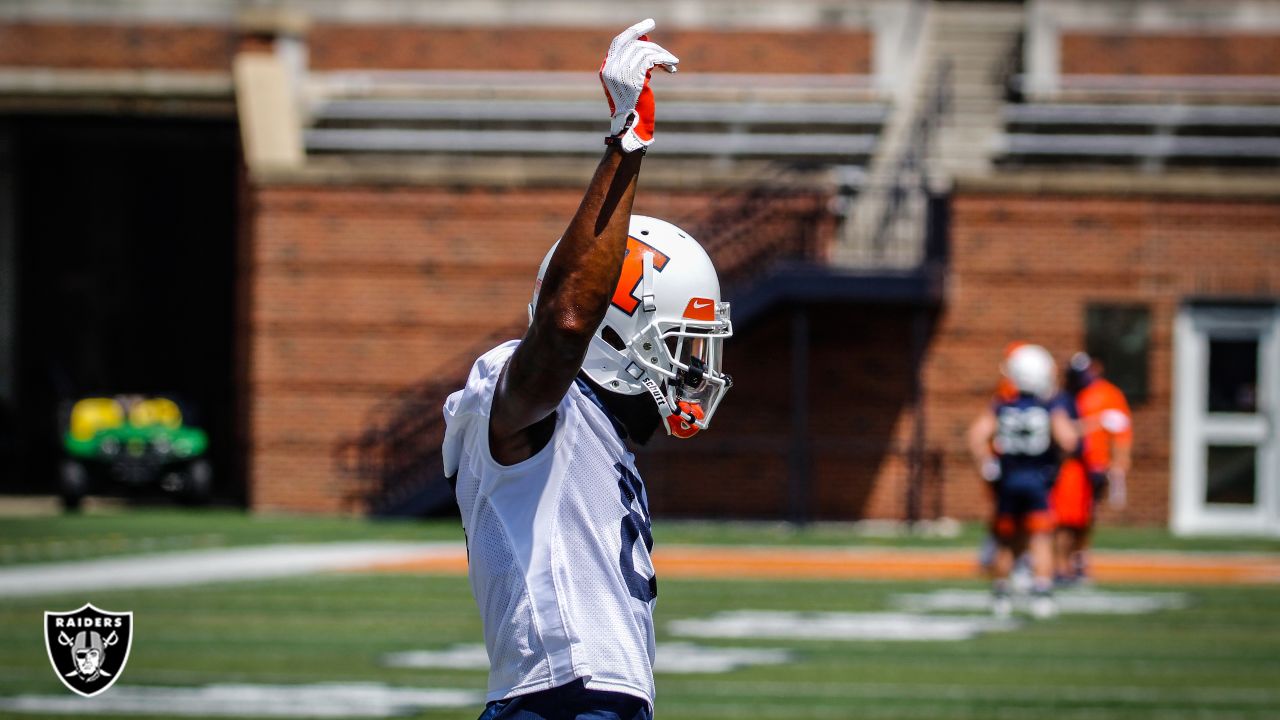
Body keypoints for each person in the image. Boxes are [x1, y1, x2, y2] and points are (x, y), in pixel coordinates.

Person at [441, 20, 733, 720]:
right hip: (561, 702)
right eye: (679, 342)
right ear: (619, 329)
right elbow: (568, 321)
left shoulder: (600, 441)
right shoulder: (529, 397)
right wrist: (626, 143)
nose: (693, 365)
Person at [968, 344, 1078, 619]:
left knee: (1006, 540)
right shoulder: (1049, 405)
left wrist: (986, 463)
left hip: (1008, 481)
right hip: (1036, 480)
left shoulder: (1002, 405)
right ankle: (1041, 594)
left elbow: (976, 436)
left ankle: (1001, 594)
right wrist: (1058, 462)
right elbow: (1068, 439)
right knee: (1040, 538)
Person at [1051, 352, 1133, 585]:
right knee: (1065, 519)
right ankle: (1060, 565)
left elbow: (1121, 434)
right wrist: (1097, 422)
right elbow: (1066, 435)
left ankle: (1078, 562)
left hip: (1094, 467)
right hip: (1069, 466)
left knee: (1086, 518)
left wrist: (1119, 465)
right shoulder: (1065, 397)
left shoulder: (1107, 394)